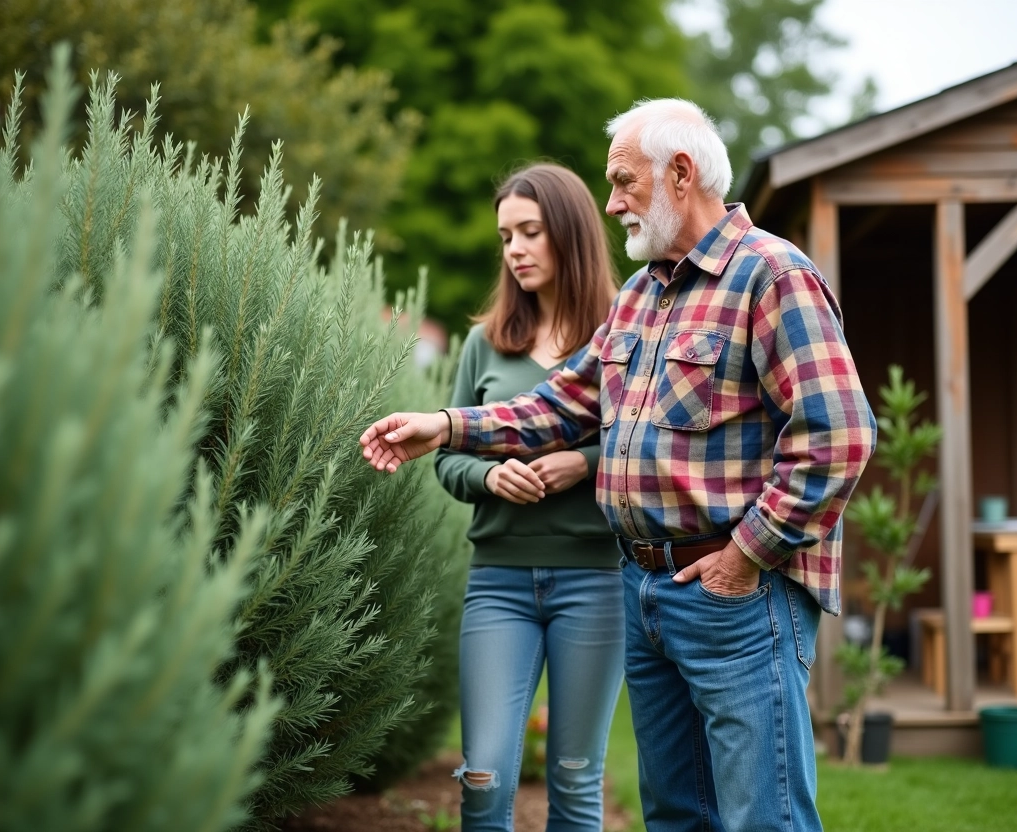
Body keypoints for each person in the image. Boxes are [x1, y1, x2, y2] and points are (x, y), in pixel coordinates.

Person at [361, 99, 877, 832]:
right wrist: (444, 427)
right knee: (675, 816)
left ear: (680, 172)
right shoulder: (641, 295)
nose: (612, 203)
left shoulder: (770, 274)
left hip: (735, 597)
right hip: (647, 590)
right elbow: (558, 406)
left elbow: (839, 435)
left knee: (763, 816)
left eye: (624, 181)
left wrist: (746, 555)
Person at [436, 163, 624, 832]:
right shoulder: (485, 343)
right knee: (483, 775)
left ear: (569, 234)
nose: (513, 249)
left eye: (530, 232)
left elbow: (652, 449)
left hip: (596, 581)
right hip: (500, 584)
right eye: (505, 236)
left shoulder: (625, 337)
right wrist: (488, 477)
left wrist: (586, 462)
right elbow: (448, 456)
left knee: (576, 778)